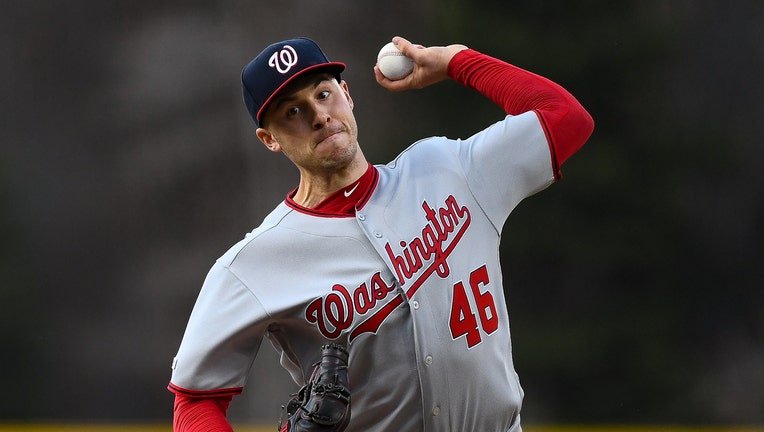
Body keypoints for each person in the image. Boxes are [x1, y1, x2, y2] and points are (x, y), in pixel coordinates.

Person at [168, 35, 594, 432]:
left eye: (323, 93)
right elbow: (194, 398)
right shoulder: (253, 263)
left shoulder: (449, 169)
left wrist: (455, 61)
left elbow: (566, 118)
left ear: (347, 95)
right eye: (292, 112)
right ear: (269, 139)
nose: (319, 116)